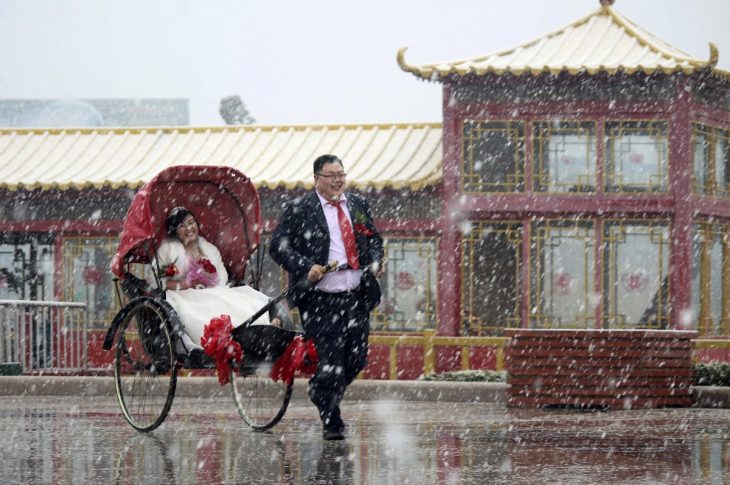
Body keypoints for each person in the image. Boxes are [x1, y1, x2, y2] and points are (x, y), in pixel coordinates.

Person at [269, 154, 384, 440]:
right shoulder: (299, 208)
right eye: (331, 175)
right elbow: (278, 247)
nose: (337, 180)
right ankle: (332, 421)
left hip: (356, 296)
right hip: (321, 298)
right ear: (317, 178)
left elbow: (373, 240)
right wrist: (306, 267)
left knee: (356, 359)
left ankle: (321, 390)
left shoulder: (357, 204)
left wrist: (376, 261)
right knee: (331, 361)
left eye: (341, 174)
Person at [147, 206, 282, 352]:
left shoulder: (209, 248)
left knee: (237, 301)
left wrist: (209, 279)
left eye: (191, 222)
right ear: (175, 231)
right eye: (182, 226)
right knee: (202, 311)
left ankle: (258, 329)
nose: (189, 228)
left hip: (213, 291)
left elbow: (222, 276)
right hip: (184, 295)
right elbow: (154, 279)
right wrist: (185, 283)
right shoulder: (169, 249)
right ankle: (219, 339)